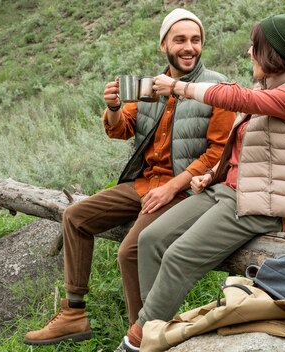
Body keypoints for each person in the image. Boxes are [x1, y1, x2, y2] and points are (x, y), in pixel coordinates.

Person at [23, 8, 236, 346]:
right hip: (143, 183)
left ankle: (144, 335)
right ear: (163, 44)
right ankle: (74, 314)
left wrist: (172, 188)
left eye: (196, 40)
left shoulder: (217, 86)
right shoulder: (151, 86)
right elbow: (124, 129)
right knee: (75, 216)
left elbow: (217, 154)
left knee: (130, 251)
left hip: (184, 191)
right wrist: (112, 108)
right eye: (180, 39)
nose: (189, 47)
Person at [115, 9, 285, 351]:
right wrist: (212, 174)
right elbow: (240, 149)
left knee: (179, 256)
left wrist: (179, 87)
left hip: (256, 205)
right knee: (150, 239)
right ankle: (156, 329)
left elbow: (237, 97)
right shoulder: (266, 87)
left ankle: (138, 341)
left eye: (254, 47)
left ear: (269, 53)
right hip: (224, 191)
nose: (248, 53)